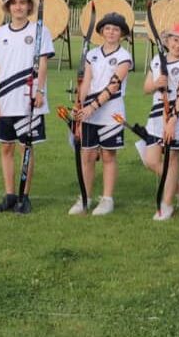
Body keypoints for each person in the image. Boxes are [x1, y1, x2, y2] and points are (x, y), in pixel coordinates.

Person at [0, 0, 55, 215]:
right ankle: (9, 195)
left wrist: (40, 91)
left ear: (29, 6)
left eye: (23, 2)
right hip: (5, 98)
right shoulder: (0, 33)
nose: (18, 7)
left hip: (28, 98)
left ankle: (24, 196)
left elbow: (43, 63)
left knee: (26, 148)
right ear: (9, 7)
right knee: (6, 147)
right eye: (14, 3)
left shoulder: (39, 31)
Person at [69, 12, 132, 216]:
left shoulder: (124, 57)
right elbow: (86, 81)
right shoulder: (92, 54)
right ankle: (85, 198)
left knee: (108, 155)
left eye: (116, 29)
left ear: (121, 34)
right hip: (88, 113)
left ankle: (107, 199)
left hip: (111, 113)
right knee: (87, 154)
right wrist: (79, 104)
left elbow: (113, 86)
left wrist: (92, 106)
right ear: (102, 32)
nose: (111, 32)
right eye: (107, 28)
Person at [142, 22, 179, 221]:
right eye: (175, 40)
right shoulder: (157, 60)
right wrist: (157, 84)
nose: (178, 45)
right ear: (168, 41)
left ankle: (167, 205)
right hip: (157, 115)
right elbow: (146, 88)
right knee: (151, 160)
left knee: (172, 159)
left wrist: (172, 121)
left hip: (176, 117)